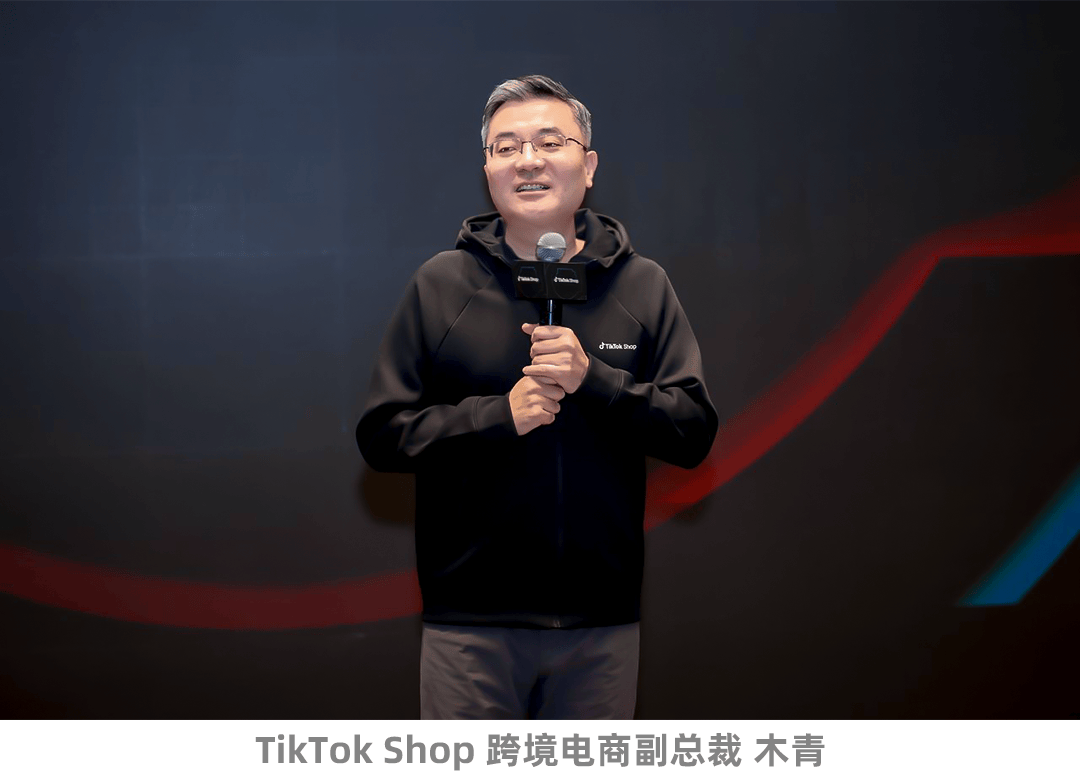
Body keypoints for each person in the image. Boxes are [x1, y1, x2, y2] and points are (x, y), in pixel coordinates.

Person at [356, 75, 718, 719]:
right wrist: (499, 416)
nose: (528, 160)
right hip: (469, 627)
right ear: (488, 171)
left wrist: (594, 381)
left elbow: (692, 431)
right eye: (507, 147)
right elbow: (383, 434)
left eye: (550, 142)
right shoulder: (442, 284)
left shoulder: (642, 285)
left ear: (589, 166)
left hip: (602, 626)